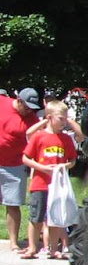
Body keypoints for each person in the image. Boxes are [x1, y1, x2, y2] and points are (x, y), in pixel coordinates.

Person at [22, 99, 77, 259]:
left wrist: (64, 166)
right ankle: (32, 247)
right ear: (49, 117)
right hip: (40, 183)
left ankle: (53, 249)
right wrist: (42, 168)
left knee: (55, 218)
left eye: (66, 118)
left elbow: (73, 161)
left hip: (58, 186)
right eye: (61, 118)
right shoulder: (39, 137)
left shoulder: (66, 139)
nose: (64, 122)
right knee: (36, 217)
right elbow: (26, 158)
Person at [0, 88, 43, 253]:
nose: (29, 110)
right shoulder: (2, 102)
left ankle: (13, 242)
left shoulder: (31, 119)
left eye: (32, 108)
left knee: (13, 203)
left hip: (14, 165)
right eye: (26, 106)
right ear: (18, 100)